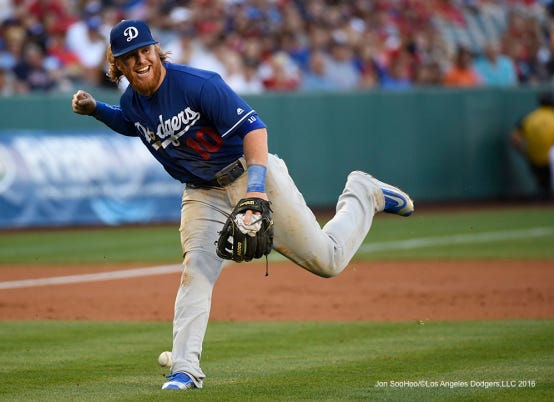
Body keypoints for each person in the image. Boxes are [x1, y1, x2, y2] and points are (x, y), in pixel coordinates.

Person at [71, 20, 414, 391]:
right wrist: (96, 110)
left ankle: (364, 193)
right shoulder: (131, 102)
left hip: (250, 173)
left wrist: (255, 191)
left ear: (157, 50)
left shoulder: (199, 84)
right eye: (129, 57)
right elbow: (131, 122)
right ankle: (185, 370)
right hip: (201, 192)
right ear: (116, 64)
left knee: (328, 260)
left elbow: (255, 129)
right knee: (196, 269)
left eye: (145, 51)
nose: (140, 60)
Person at [511, 91, 554, 199]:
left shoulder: (529, 117)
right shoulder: (553, 116)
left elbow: (514, 138)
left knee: (542, 184)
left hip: (534, 159)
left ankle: (543, 194)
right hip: (551, 160)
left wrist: (524, 152)